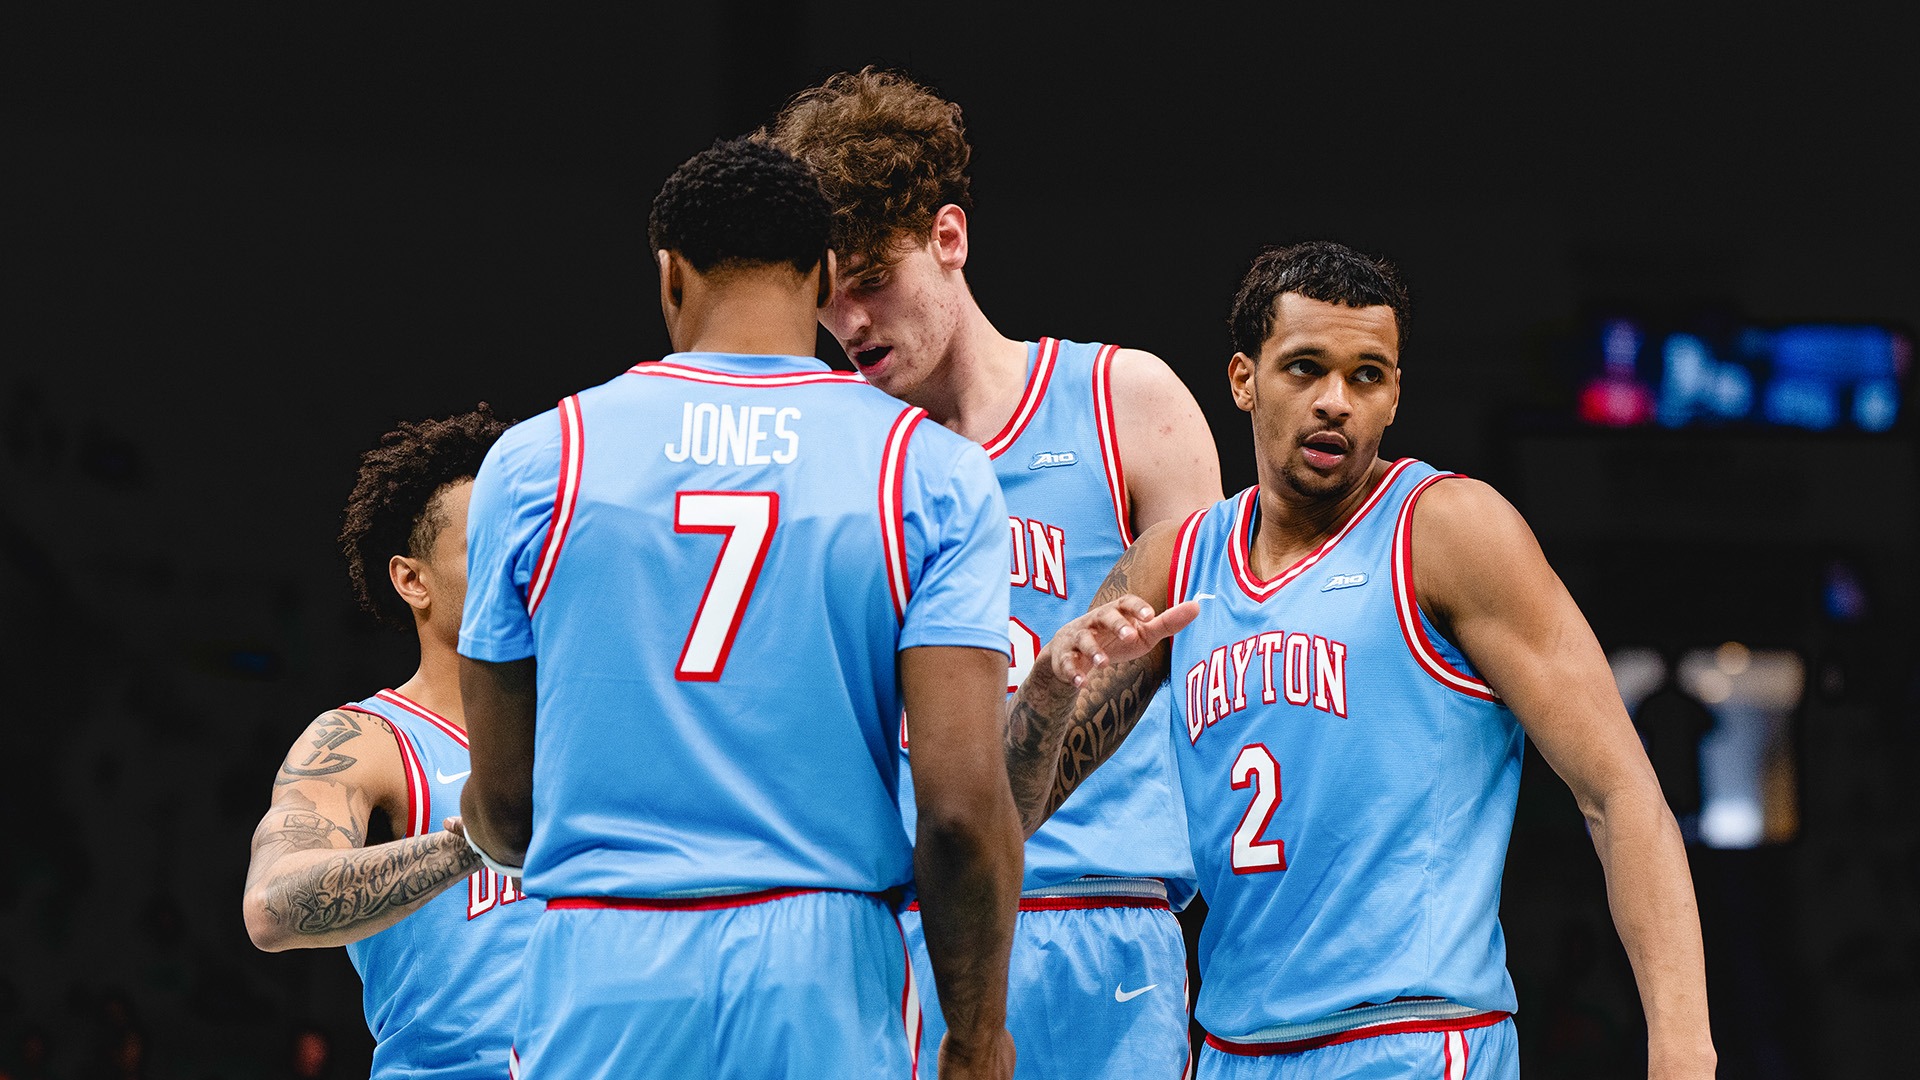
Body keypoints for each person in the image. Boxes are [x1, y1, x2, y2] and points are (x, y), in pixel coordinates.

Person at [1005, 242, 1717, 1078]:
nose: (1336, 402)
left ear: (1395, 395)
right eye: (1305, 368)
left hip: (1414, 1041)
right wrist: (1048, 693)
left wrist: (1683, 1050)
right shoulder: (1173, 564)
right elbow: (1013, 811)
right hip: (1235, 1049)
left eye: (1368, 376)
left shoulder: (1448, 533)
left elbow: (1621, 793)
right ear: (1243, 379)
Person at [456, 137, 1024, 1080]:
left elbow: (508, 809)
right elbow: (962, 812)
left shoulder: (536, 459)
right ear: (827, 273)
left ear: (670, 275)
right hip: (822, 966)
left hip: (603, 957)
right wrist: (974, 1035)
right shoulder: (928, 471)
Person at [763, 68, 1224, 1079]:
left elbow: (1203, 669)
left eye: (872, 280)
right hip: (909, 933)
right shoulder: (828, 468)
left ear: (948, 236)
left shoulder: (1127, 405)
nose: (850, 322)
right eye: (824, 299)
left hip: (1108, 919)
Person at [242, 405, 542, 1080]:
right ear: (412, 580)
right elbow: (272, 907)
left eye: (527, 537)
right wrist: (467, 846)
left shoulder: (588, 723)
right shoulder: (367, 741)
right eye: (486, 543)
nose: (518, 560)